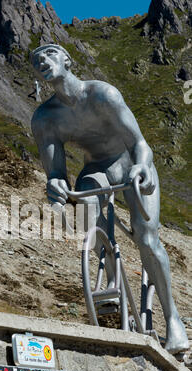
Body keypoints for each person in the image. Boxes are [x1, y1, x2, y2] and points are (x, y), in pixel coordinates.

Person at [30, 43, 189, 355]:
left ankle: (173, 320)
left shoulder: (103, 95)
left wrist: (142, 167)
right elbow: (56, 173)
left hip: (133, 164)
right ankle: (113, 285)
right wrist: (56, 189)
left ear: (67, 60)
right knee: (87, 207)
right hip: (98, 170)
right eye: (36, 61)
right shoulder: (45, 119)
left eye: (49, 54)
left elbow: (140, 143)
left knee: (146, 239)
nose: (43, 61)